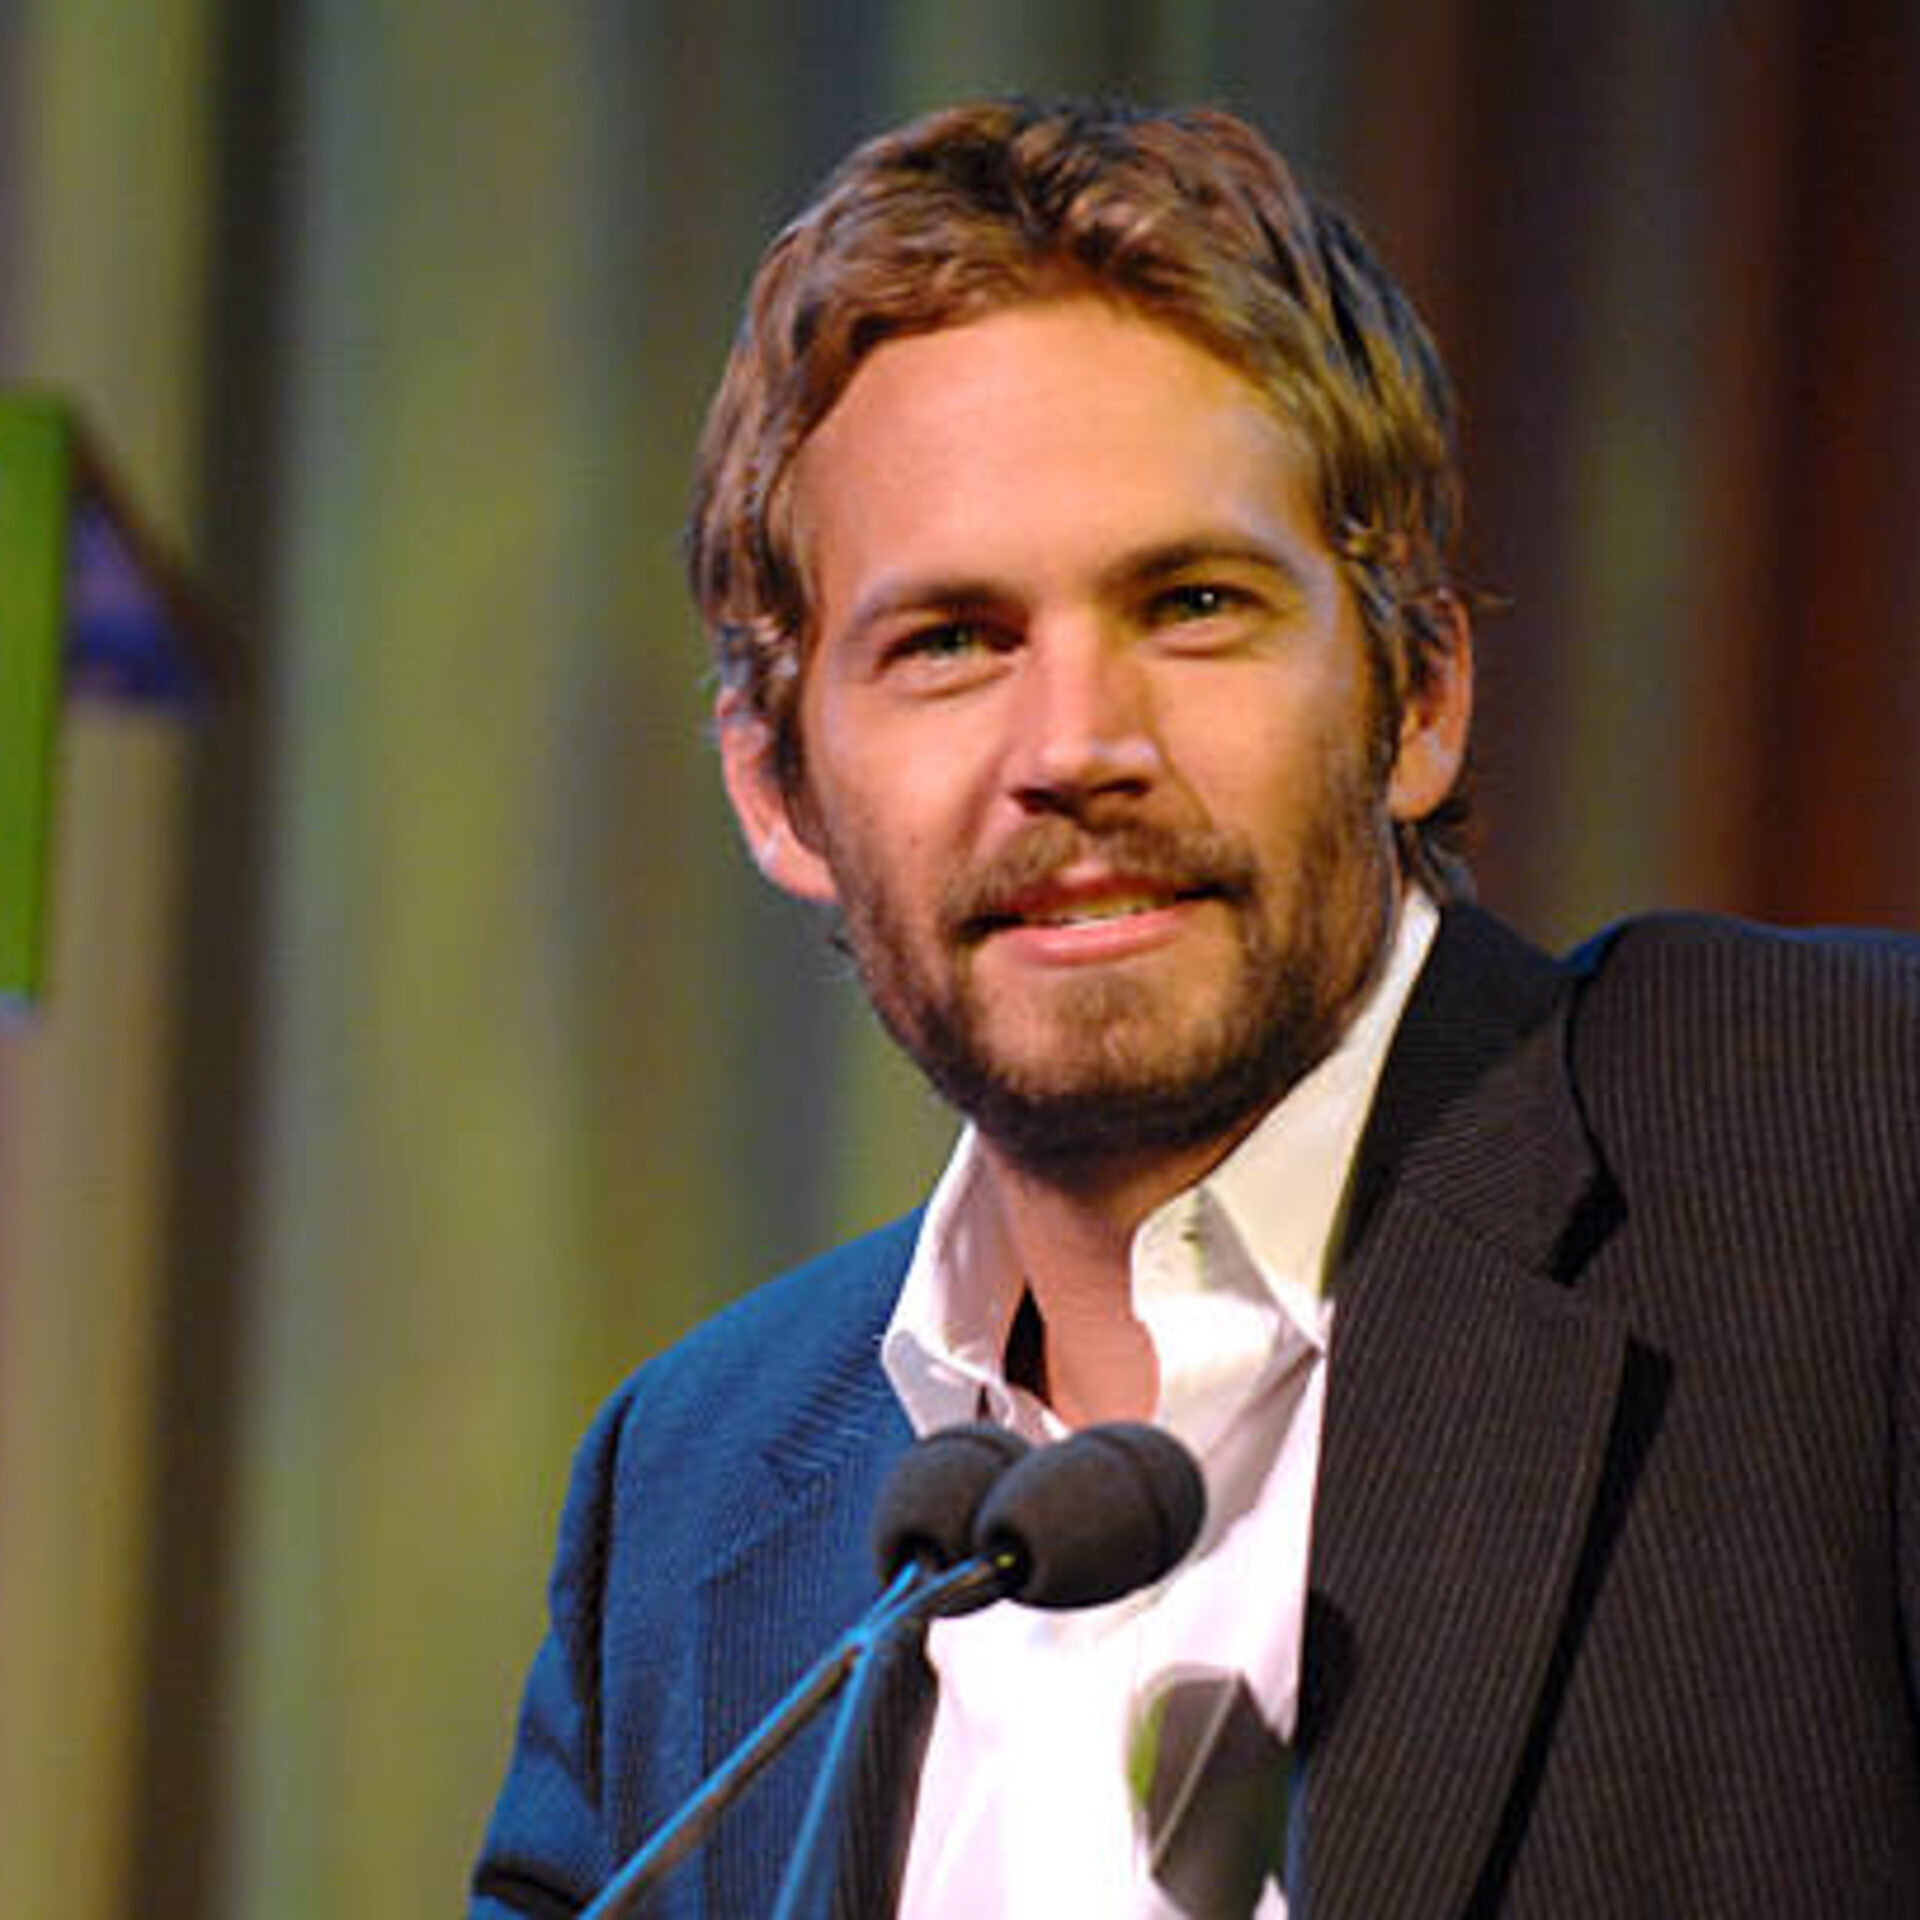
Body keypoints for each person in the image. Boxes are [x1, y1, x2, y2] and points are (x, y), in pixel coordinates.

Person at [470, 97, 1920, 1917]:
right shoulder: (692, 1493)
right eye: (952, 643)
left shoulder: (1849, 1169)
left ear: (1419, 700)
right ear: (777, 792)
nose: (1078, 748)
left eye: (1196, 604)